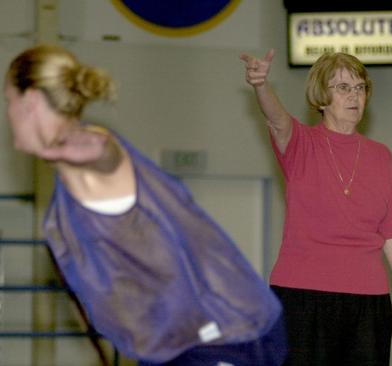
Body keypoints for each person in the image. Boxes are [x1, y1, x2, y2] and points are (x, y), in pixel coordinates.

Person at [4, 44, 287, 365]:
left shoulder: (95, 153)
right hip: (173, 347)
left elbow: (105, 154)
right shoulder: (66, 185)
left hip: (222, 337)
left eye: (8, 101)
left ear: (30, 102)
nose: (7, 113)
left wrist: (76, 145)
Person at [240, 49, 392, 365]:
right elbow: (276, 117)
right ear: (322, 97)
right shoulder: (300, 144)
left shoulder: (380, 157)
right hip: (302, 299)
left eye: (360, 87)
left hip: (368, 305)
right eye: (343, 87)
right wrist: (261, 85)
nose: (355, 95)